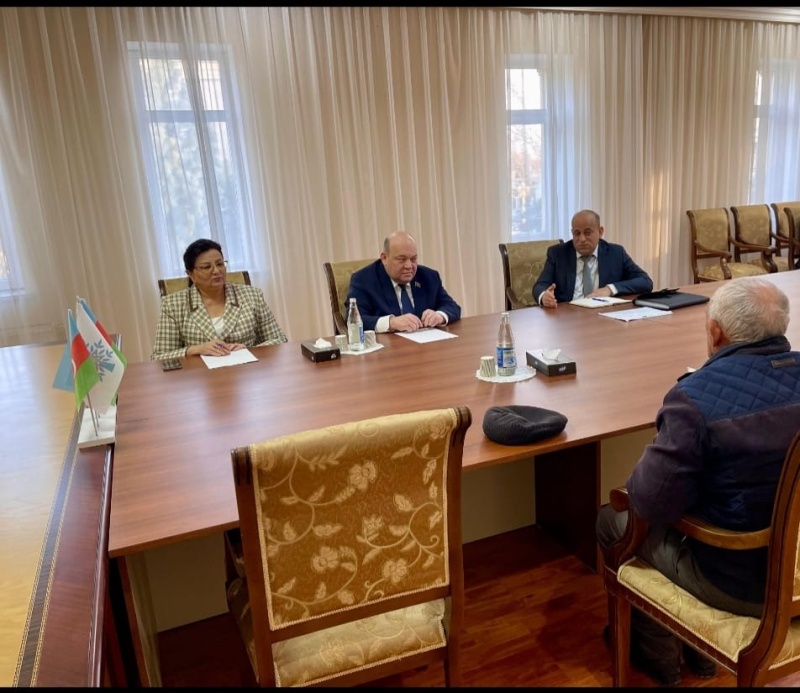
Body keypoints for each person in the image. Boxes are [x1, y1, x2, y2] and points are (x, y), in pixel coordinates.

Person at [596, 276, 800, 686]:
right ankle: (700, 656)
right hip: (793, 570)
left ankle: (660, 658)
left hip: (744, 585)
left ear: (715, 331)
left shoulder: (695, 397)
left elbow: (650, 502)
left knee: (613, 518)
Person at [151, 238, 287, 361]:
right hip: (199, 376)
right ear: (191, 274)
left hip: (247, 372)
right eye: (206, 267)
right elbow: (159, 356)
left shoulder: (252, 295)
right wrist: (196, 349)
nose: (216, 271)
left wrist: (249, 349)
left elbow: (279, 339)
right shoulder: (173, 305)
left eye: (220, 264)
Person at [532, 209, 653, 308]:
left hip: (603, 315)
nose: (582, 239)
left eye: (587, 232)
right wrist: (544, 296)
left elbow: (645, 281)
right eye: (577, 233)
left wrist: (610, 289)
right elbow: (540, 285)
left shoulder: (616, 253)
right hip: (567, 315)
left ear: (600, 232)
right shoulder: (558, 254)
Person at [346, 230, 461, 332]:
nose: (409, 266)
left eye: (413, 259)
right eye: (402, 259)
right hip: (389, 347)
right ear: (384, 258)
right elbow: (354, 320)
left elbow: (452, 306)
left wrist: (439, 316)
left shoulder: (429, 277)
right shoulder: (363, 280)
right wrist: (391, 323)